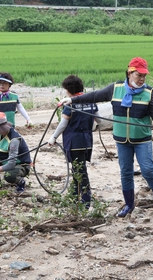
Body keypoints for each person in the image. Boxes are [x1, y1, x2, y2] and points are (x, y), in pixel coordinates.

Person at [58, 57, 153, 218]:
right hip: (122, 140)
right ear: (129, 73)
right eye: (138, 75)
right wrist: (72, 100)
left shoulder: (148, 93)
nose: (142, 79)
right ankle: (129, 205)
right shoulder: (115, 89)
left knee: (148, 170)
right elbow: (94, 96)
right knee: (126, 171)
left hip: (142, 139)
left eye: (144, 76)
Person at [47, 75, 101, 209]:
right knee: (78, 168)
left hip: (73, 142)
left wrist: (53, 137)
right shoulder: (91, 102)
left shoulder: (70, 105)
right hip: (87, 141)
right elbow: (99, 121)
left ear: (69, 90)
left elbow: (63, 125)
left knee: (80, 170)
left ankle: (86, 200)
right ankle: (73, 195)